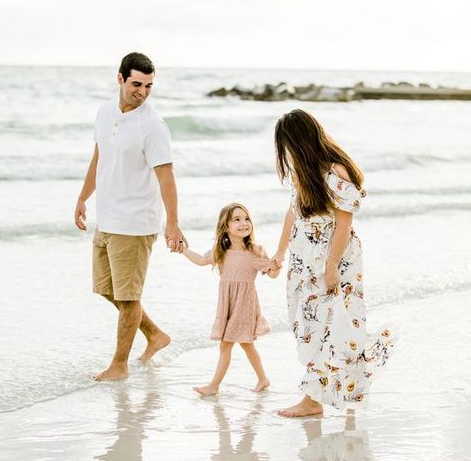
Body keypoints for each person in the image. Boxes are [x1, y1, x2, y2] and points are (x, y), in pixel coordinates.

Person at [271, 109, 394, 417]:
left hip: (335, 257)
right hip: (304, 259)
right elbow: (292, 215)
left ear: (298, 141)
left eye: (286, 144)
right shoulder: (305, 171)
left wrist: (331, 266)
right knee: (308, 325)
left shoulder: (337, 171)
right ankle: (347, 389)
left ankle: (312, 401)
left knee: (331, 325)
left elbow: (343, 224)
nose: (285, 152)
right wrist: (279, 254)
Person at [74, 52, 186, 382]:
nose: (143, 91)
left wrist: (173, 222)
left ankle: (119, 365)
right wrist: (82, 198)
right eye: (137, 84)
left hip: (135, 222)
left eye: (149, 86)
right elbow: (99, 159)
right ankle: (155, 335)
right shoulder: (104, 113)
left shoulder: (152, 126)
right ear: (120, 79)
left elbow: (166, 176)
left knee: (128, 297)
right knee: (107, 289)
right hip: (106, 217)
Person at [181, 202, 279, 395]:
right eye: (237, 219)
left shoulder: (255, 251)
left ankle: (214, 386)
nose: (244, 223)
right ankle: (263, 378)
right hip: (228, 305)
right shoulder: (221, 251)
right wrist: (182, 250)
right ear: (226, 226)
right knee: (246, 344)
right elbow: (201, 260)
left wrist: (277, 264)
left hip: (244, 304)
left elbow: (273, 274)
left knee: (226, 344)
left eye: (246, 218)